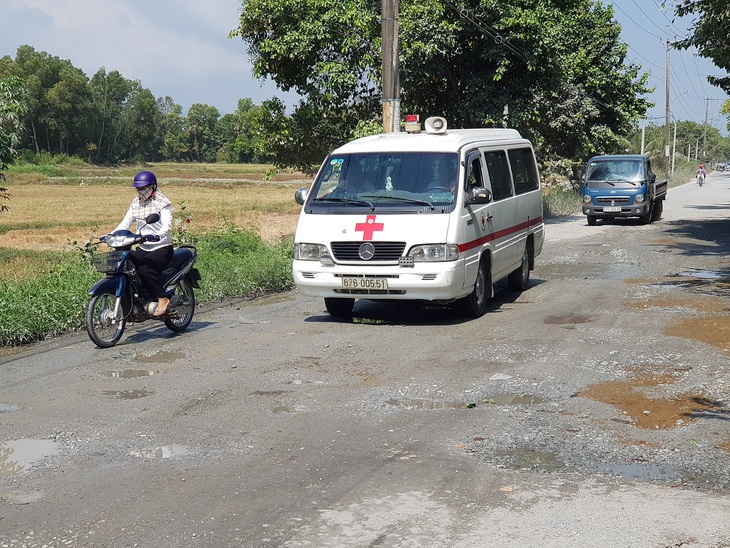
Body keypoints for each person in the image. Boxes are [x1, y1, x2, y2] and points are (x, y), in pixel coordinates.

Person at [110, 170, 174, 317]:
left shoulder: (162, 203)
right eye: (138, 188)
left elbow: (167, 225)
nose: (140, 191)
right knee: (125, 265)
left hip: (161, 247)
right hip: (144, 246)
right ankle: (137, 300)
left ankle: (162, 298)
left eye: (143, 188)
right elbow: (125, 223)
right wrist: (111, 234)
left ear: (153, 187)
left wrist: (158, 236)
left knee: (145, 269)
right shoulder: (136, 203)